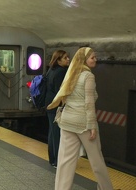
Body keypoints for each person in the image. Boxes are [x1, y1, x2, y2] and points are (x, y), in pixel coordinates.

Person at [47, 47, 113, 190]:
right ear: (84, 60)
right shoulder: (88, 76)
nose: (95, 60)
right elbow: (89, 103)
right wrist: (92, 126)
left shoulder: (71, 73)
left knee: (65, 162)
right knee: (97, 161)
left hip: (67, 122)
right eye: (92, 57)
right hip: (83, 123)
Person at [44, 50, 70, 168]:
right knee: (57, 133)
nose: (68, 59)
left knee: (52, 132)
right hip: (56, 105)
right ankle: (58, 161)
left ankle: (52, 159)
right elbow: (60, 91)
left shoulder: (51, 70)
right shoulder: (61, 72)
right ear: (58, 60)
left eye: (68, 57)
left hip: (49, 103)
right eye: (65, 58)